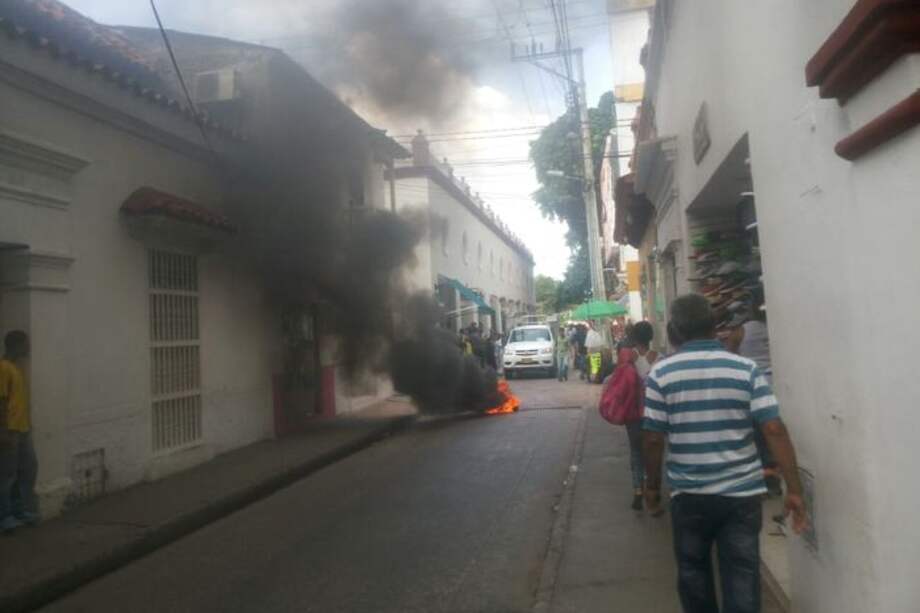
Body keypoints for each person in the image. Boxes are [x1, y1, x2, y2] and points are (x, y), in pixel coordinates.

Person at [642, 295, 807, 613]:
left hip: (689, 495)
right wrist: (795, 489)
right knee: (742, 576)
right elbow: (773, 429)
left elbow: (652, 439)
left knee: (694, 576)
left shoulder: (661, 374)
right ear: (713, 326)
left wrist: (651, 487)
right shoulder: (745, 369)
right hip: (741, 496)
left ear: (675, 330)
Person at [0, 330, 39, 533]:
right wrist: (3, 431)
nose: (28, 347)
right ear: (16, 345)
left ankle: (19, 510)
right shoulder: (3, 367)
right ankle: (4, 517)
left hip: (22, 429)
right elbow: (2, 401)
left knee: (26, 469)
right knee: (7, 475)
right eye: (26, 344)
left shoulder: (16, 368)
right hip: (10, 430)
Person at [621, 322, 658, 510]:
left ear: (634, 338)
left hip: (633, 412)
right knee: (653, 451)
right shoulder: (658, 358)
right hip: (653, 413)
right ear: (651, 337)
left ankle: (637, 489)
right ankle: (653, 489)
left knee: (635, 451)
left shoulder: (628, 357)